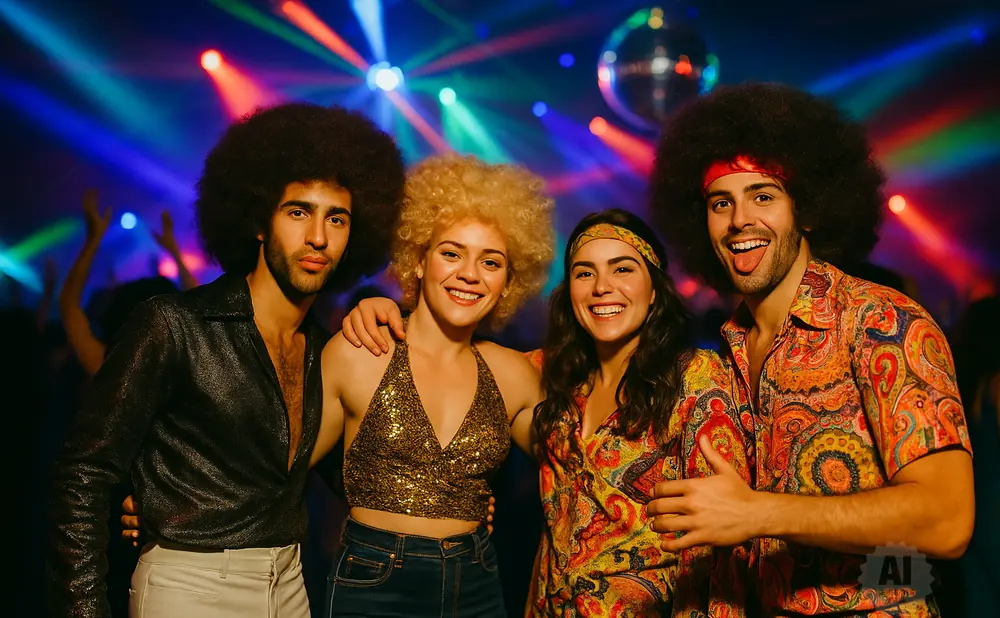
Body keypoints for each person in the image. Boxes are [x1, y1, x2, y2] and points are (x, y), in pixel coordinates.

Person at [47, 101, 406, 618]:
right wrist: (83, 609)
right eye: (298, 211)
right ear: (259, 221)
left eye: (338, 218)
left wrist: (448, 498)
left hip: (290, 584)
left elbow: (350, 477)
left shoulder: (326, 351)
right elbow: (83, 473)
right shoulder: (174, 324)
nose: (318, 238)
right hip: (191, 585)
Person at [646, 82, 975, 617]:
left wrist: (759, 513)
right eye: (720, 202)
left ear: (809, 210)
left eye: (764, 196)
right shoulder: (719, 357)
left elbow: (948, 520)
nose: (738, 222)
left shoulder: (880, 322)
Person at [343, 208, 752, 617]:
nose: (602, 288)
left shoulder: (697, 377)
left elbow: (723, 549)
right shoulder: (545, 375)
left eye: (622, 269)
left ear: (656, 288)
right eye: (584, 273)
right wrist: (388, 310)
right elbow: (446, 368)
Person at [313, 153, 554, 617]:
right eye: (451, 253)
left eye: (491, 261)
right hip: (372, 584)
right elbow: (280, 470)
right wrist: (168, 501)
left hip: (477, 584)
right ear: (419, 260)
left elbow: (583, 462)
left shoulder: (513, 374)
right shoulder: (361, 350)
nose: (469, 274)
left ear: (508, 282)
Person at [59, 189, 196, 375]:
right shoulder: (195, 362)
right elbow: (197, 299)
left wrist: (92, 240)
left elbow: (70, 307)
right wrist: (174, 251)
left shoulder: (116, 374)